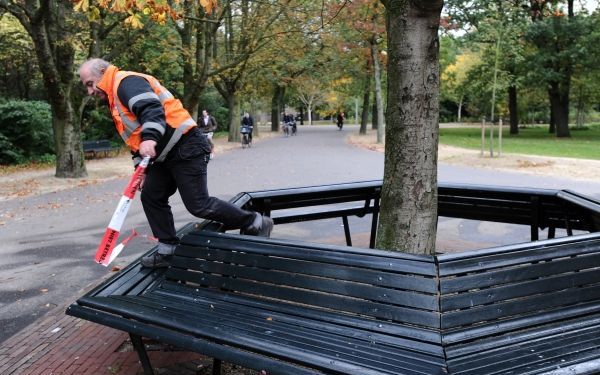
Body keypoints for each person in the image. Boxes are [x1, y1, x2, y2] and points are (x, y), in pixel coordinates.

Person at [78, 58, 273, 268]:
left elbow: (151, 110)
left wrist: (150, 138)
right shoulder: (114, 97)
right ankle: (167, 249)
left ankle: (255, 221)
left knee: (198, 204)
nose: (90, 92)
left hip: (186, 145)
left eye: (90, 84)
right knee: (152, 196)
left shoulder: (125, 82)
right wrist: (140, 168)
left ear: (102, 72)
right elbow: (135, 138)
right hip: (165, 155)